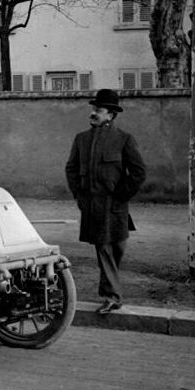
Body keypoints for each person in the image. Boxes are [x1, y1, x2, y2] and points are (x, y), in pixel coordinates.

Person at [65, 88, 147, 314]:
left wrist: (122, 194)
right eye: (93, 109)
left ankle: (109, 289)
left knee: (117, 247)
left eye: (98, 110)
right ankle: (112, 296)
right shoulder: (81, 139)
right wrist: (79, 196)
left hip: (116, 206)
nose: (93, 113)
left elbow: (138, 172)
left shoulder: (123, 140)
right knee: (105, 249)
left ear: (110, 115)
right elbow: (71, 169)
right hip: (92, 206)